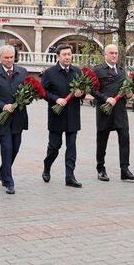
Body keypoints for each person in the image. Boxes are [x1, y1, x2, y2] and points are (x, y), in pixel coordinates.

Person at [0, 45, 29, 194]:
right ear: (0, 58)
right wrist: (2, 106)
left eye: (11, 57)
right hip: (3, 119)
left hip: (19, 118)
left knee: (15, 148)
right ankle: (9, 181)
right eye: (6, 57)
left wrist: (25, 100)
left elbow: (28, 91)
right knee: (7, 149)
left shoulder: (22, 72)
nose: (9, 60)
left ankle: (3, 171)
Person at [92, 44, 134, 182]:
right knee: (102, 141)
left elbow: (126, 91)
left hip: (120, 111)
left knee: (125, 139)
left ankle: (125, 170)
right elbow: (92, 90)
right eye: (111, 53)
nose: (114, 55)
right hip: (104, 111)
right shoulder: (98, 70)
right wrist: (106, 98)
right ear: (105, 55)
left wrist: (130, 94)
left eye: (116, 53)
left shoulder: (122, 71)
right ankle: (101, 169)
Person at [41, 44, 84, 188]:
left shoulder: (77, 71)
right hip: (56, 115)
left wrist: (80, 94)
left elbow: (83, 90)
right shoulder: (50, 73)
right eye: (64, 54)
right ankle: (47, 165)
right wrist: (55, 99)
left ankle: (70, 177)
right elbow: (43, 92)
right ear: (58, 56)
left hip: (73, 115)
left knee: (71, 146)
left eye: (69, 54)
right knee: (54, 146)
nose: (67, 57)